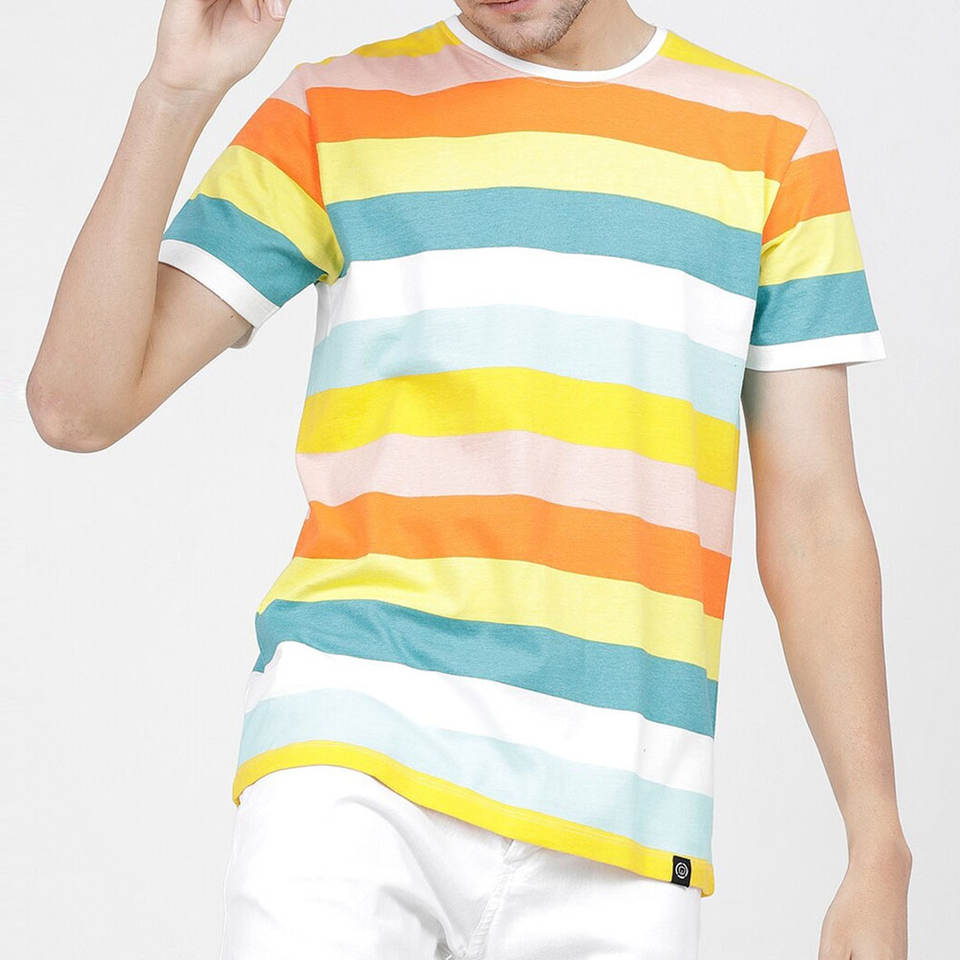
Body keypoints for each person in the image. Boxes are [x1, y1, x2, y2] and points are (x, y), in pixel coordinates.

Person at [26, 0, 912, 957]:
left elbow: (814, 515)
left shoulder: (775, 141)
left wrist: (877, 846)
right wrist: (176, 93)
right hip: (355, 754)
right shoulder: (336, 107)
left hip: (623, 814)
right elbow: (77, 408)